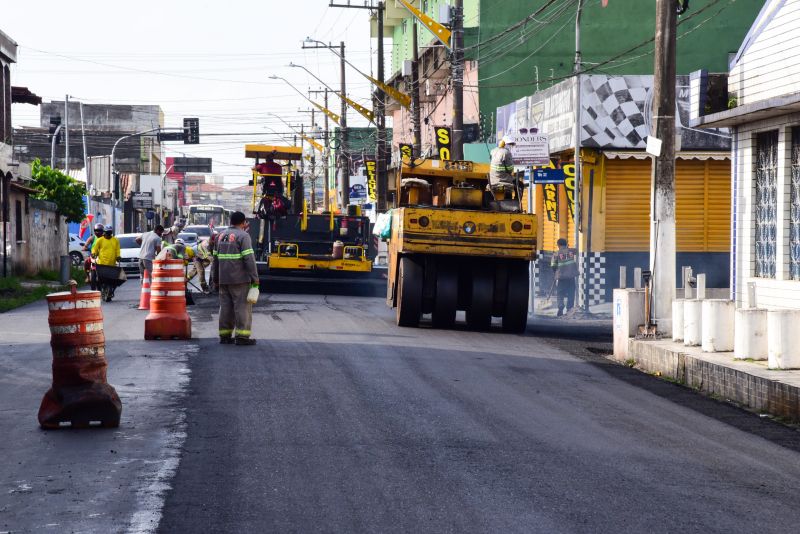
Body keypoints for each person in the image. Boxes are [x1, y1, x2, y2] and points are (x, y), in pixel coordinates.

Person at [212, 211, 259, 346]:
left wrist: (215, 278)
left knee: (225, 308)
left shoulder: (220, 236)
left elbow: (215, 260)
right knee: (242, 308)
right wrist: (255, 278)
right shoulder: (243, 236)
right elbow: (249, 259)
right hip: (239, 279)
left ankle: (225, 336)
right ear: (243, 223)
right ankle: (242, 337)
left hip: (223, 279)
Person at [91, 225, 122, 301]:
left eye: (110, 233)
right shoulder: (100, 240)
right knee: (99, 279)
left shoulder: (115, 240)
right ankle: (101, 290)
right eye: (107, 233)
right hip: (102, 264)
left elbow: (117, 250)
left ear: (111, 233)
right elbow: (95, 249)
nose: (108, 234)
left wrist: (118, 256)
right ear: (104, 233)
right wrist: (94, 253)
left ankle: (111, 291)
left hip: (112, 264)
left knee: (115, 280)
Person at [551, 238, 578, 316]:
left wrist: (556, 273)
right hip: (571, 277)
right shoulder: (571, 251)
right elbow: (576, 250)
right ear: (566, 244)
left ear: (558, 245)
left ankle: (560, 306)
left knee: (560, 293)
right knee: (571, 293)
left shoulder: (556, 254)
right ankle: (569, 309)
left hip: (561, 277)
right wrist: (567, 247)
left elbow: (553, 266)